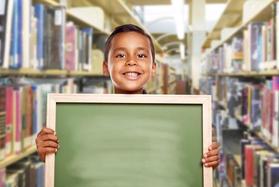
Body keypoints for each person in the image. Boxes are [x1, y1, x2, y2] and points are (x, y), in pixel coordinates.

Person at [36, 24, 220, 168]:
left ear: (153, 68)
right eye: (120, 55)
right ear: (106, 68)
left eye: (141, 55)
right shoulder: (78, 120)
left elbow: (185, 167)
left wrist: (207, 158)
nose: (131, 61)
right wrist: (49, 154)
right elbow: (73, 165)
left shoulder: (178, 121)